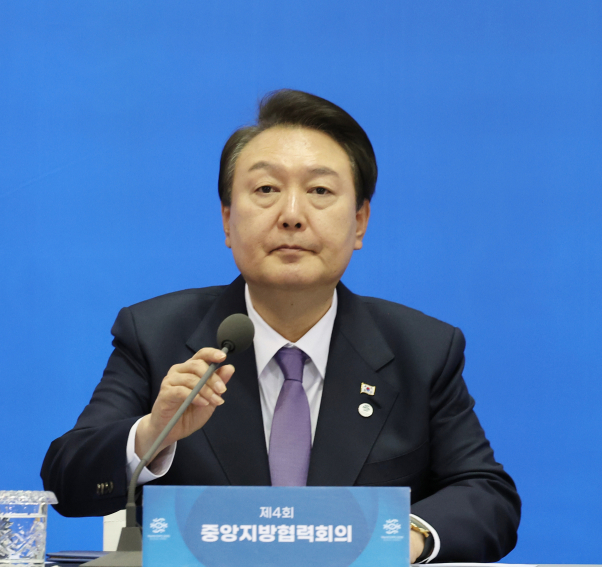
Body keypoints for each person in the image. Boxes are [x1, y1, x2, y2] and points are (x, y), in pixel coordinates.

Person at [41, 89, 520, 563]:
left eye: (320, 191)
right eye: (266, 190)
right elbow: (66, 480)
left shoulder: (421, 350)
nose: (292, 216)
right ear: (227, 220)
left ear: (359, 222)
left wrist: (400, 537)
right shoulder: (156, 335)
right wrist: (152, 435)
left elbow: (487, 495)